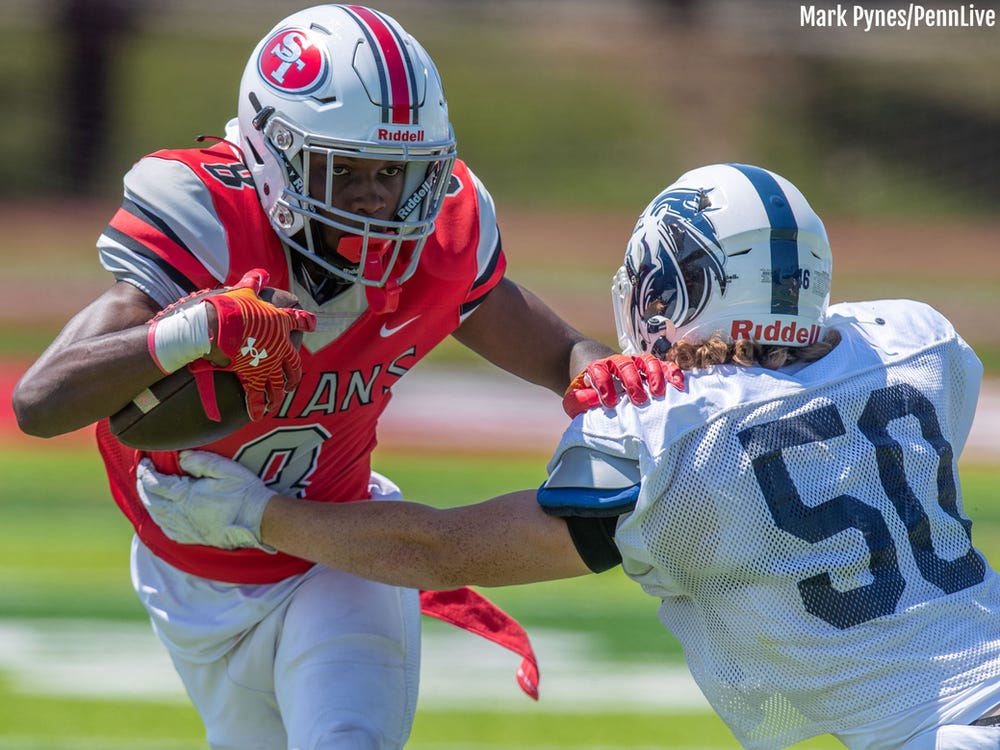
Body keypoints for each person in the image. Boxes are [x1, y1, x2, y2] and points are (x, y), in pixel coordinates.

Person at [139, 162, 1000, 750]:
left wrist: (261, 515)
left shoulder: (669, 436)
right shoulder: (921, 346)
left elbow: (440, 551)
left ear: (674, 286)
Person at [11, 5, 669, 749]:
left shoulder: (442, 239)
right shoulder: (210, 218)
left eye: (392, 171)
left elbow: (561, 353)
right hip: (186, 574)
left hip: (341, 551)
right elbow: (40, 403)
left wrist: (597, 375)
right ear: (272, 156)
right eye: (343, 168)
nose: (371, 198)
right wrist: (194, 327)